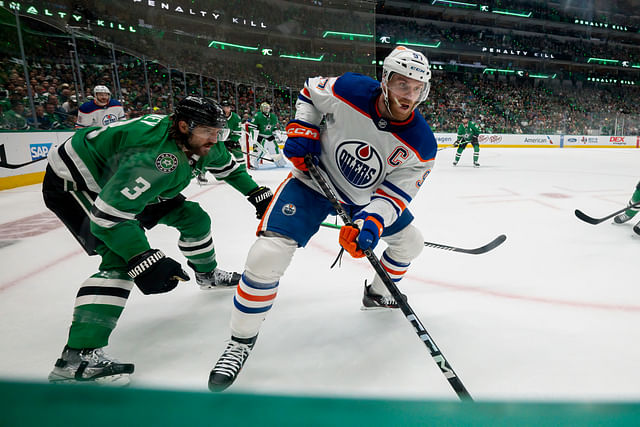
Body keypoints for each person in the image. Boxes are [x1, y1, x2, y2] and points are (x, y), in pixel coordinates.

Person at [208, 46, 437, 391]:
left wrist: (370, 224)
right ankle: (240, 342)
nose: (410, 95)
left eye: (417, 87)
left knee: (411, 242)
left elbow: (394, 194)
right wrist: (304, 126)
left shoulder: (422, 143)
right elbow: (309, 92)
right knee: (267, 255)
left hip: (363, 199)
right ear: (386, 81)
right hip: (312, 182)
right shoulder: (350, 89)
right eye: (403, 84)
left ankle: (377, 294)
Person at [43, 96, 273, 384]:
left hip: (122, 176)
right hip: (78, 182)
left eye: (219, 132)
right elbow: (107, 216)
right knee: (119, 259)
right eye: (208, 132)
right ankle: (77, 359)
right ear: (183, 126)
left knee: (193, 217)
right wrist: (142, 257)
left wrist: (256, 193)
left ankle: (207, 275)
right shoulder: (156, 158)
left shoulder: (198, 140)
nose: (215, 140)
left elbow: (229, 167)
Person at [197, 99, 245, 184]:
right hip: (217, 140)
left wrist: (232, 141)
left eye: (227, 107)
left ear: (230, 108)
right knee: (211, 156)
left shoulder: (236, 117)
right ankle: (201, 174)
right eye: (223, 107)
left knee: (239, 155)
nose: (225, 109)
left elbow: (238, 132)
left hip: (230, 139)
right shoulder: (215, 116)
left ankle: (243, 173)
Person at [249, 101, 284, 167]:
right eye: (265, 108)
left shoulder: (273, 116)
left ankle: (280, 162)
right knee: (259, 150)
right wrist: (253, 136)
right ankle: (253, 163)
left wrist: (277, 133)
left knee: (275, 149)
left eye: (267, 108)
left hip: (270, 136)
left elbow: (275, 127)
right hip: (260, 137)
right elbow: (252, 126)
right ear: (261, 109)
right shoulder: (258, 115)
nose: (267, 109)